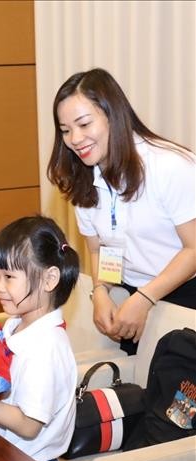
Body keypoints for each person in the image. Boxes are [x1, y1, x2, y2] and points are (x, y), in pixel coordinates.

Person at [47, 68, 196, 354]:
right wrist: (101, 291)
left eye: (84, 124)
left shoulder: (169, 166)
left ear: (112, 115)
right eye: (65, 130)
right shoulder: (83, 178)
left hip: (185, 296)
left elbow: (193, 249)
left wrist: (145, 298)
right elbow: (103, 249)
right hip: (133, 295)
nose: (75, 139)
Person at [0, 215, 79, 461]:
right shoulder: (16, 324)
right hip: (4, 453)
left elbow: (28, 426)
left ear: (49, 280)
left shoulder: (46, 348)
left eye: (8, 277)